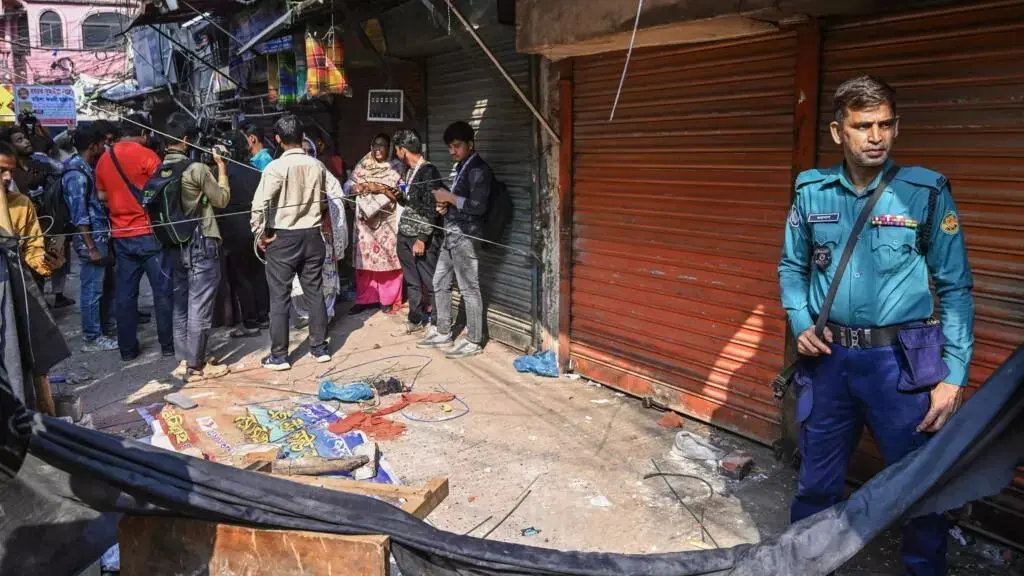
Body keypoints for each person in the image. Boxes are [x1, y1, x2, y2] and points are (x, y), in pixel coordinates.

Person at [778, 76, 974, 576]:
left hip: (900, 365)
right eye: (863, 125)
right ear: (838, 131)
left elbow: (955, 289)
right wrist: (800, 320)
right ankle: (805, 566)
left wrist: (952, 375)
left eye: (885, 124)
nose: (876, 136)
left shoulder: (925, 192)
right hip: (829, 361)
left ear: (896, 127)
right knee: (817, 484)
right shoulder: (811, 191)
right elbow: (792, 268)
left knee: (918, 486)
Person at [250, 114, 342, 371]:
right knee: (315, 293)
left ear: (278, 140)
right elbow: (334, 195)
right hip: (313, 235)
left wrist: (259, 234)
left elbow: (259, 205)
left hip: (284, 237)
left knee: (279, 298)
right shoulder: (317, 165)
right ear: (302, 137)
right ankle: (319, 349)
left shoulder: (275, 168)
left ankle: (279, 356)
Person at [95, 114, 173, 361]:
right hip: (149, 232)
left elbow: (101, 196)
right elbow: (165, 188)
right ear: (142, 133)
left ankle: (127, 350)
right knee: (162, 292)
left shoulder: (104, 159)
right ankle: (168, 345)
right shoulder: (146, 155)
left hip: (121, 235)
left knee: (125, 296)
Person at [160, 113, 232, 382]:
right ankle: (196, 366)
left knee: (181, 304)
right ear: (186, 140)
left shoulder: (161, 169)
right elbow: (222, 199)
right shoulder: (196, 169)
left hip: (174, 245)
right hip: (201, 242)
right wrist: (222, 170)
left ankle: (184, 359)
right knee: (200, 304)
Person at [417, 121, 491, 359]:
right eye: (450, 147)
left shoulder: (478, 169)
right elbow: (458, 201)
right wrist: (444, 206)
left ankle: (474, 340)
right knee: (439, 280)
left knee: (469, 288)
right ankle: (443, 331)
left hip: (466, 236)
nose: (452, 152)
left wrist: (449, 197)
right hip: (452, 232)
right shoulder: (461, 167)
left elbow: (478, 207)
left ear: (470, 144)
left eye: (457, 146)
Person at [63, 127, 117, 353]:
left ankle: (101, 330)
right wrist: (91, 246)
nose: (105, 147)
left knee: (101, 286)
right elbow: (79, 214)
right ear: (93, 146)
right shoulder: (77, 173)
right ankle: (92, 337)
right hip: (91, 239)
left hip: (98, 235)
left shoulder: (85, 168)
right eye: (102, 144)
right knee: (91, 289)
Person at [343, 134, 404, 315]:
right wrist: (355, 188)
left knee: (387, 262)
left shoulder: (397, 167)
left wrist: (380, 188)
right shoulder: (363, 164)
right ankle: (365, 299)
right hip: (365, 223)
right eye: (375, 145)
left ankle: (387, 299)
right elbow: (348, 185)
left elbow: (403, 192)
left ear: (389, 147)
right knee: (365, 262)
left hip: (386, 222)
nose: (378, 150)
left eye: (382, 146)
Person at [217, 130, 270, 338]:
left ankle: (250, 323)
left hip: (233, 231)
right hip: (256, 228)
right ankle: (264, 316)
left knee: (241, 276)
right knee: (258, 272)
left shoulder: (223, 174)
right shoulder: (257, 172)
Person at [289, 139, 346, 326]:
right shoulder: (289, 171)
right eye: (302, 150)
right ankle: (307, 314)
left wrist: (323, 205)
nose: (306, 154)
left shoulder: (321, 170)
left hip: (322, 233)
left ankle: (326, 314)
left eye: (309, 151)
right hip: (296, 235)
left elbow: (337, 196)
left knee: (325, 277)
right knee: (301, 278)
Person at [391, 129, 442, 335]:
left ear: (403, 150)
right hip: (405, 233)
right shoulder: (409, 171)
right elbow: (413, 203)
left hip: (420, 237)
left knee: (430, 281)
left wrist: (422, 239)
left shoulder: (428, 171)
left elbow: (432, 208)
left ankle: (439, 323)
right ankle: (415, 319)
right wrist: (399, 197)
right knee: (411, 281)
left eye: (396, 151)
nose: (396, 155)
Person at [0, 142, 64, 281]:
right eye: (1, 170)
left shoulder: (21, 203)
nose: (8, 177)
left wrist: (47, 262)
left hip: (13, 284)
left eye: (11, 171)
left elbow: (33, 247)